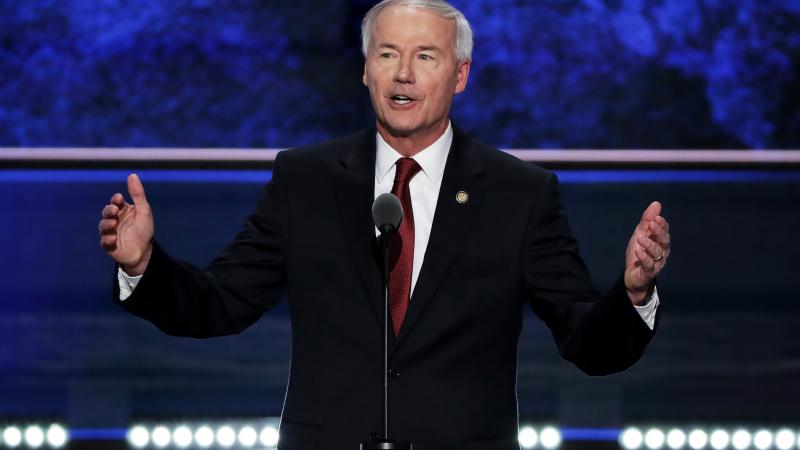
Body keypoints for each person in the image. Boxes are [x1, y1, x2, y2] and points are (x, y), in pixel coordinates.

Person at [98, 1, 671, 449]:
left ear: (460, 75)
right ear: (366, 69)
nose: (403, 74)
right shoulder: (306, 179)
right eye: (387, 54)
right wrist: (144, 265)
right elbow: (219, 303)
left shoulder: (519, 193)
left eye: (426, 57)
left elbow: (588, 344)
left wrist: (634, 293)